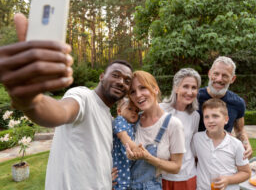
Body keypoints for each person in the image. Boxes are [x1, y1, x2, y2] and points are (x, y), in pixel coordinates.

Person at [0, 13, 133, 190]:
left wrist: (103, 176)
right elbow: (59, 112)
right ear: (102, 76)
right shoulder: (83, 96)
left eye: (127, 80)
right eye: (116, 75)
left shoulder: (109, 119)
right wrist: (31, 100)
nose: (121, 82)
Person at [126, 70, 185, 189]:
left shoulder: (173, 124)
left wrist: (148, 157)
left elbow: (176, 167)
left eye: (143, 88)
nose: (138, 95)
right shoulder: (131, 122)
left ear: (155, 89)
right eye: (133, 92)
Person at [197, 56, 252, 159]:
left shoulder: (238, 103)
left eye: (225, 76)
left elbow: (239, 130)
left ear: (232, 79)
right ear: (209, 74)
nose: (219, 79)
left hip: (222, 158)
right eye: (216, 74)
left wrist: (246, 144)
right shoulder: (194, 97)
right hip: (195, 157)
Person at [192, 98, 251, 190]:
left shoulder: (236, 144)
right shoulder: (197, 138)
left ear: (226, 119)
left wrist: (228, 179)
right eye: (206, 117)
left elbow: (246, 173)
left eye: (215, 116)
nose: (210, 120)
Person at [159, 68, 201, 190]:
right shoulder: (161, 109)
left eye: (194, 87)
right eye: (185, 86)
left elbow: (192, 146)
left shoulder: (195, 116)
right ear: (176, 88)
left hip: (187, 176)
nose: (190, 92)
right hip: (162, 175)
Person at [112, 97, 139, 190]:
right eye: (130, 109)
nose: (134, 112)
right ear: (119, 111)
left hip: (126, 165)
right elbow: (123, 136)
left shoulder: (130, 125)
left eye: (136, 110)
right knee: (120, 184)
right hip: (119, 164)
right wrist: (136, 149)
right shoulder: (120, 120)